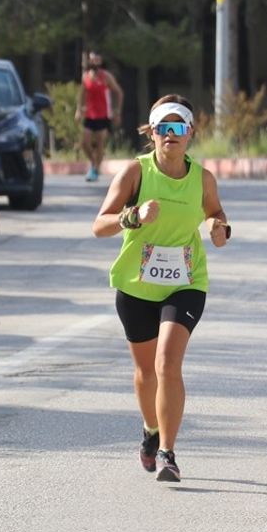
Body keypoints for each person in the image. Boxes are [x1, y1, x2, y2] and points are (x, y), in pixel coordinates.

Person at [92, 94, 229, 482]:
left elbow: (216, 215)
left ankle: (168, 452)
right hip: (136, 285)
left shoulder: (202, 178)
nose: (171, 135)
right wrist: (132, 216)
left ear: (190, 133)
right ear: (152, 133)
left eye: (179, 127)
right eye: (164, 128)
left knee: (167, 363)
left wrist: (219, 228)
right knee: (144, 372)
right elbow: (99, 225)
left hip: (186, 283)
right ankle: (151, 431)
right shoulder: (135, 174)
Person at [75, 51, 124, 182]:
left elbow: (118, 92)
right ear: (89, 61)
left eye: (97, 59)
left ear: (100, 61)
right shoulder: (85, 76)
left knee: (100, 143)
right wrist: (79, 110)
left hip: (104, 115)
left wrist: (117, 111)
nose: (94, 62)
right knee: (85, 143)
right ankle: (93, 163)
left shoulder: (106, 76)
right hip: (90, 115)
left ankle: (95, 169)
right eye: (92, 59)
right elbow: (82, 94)